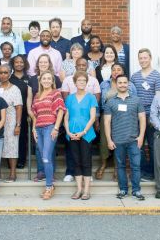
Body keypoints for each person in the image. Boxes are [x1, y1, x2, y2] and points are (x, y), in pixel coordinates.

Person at [104, 75, 146, 200]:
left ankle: (136, 191)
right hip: (118, 140)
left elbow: (142, 118)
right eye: (120, 82)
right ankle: (123, 190)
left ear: (128, 84)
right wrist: (109, 140)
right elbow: (106, 122)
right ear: (116, 84)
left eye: (124, 82)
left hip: (134, 140)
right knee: (120, 166)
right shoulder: (110, 102)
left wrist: (141, 137)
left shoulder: (137, 100)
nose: (122, 84)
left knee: (136, 166)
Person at [98, 63, 137, 180]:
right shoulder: (104, 84)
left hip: (122, 118)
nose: (116, 72)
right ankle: (103, 164)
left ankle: (116, 167)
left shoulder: (130, 85)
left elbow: (134, 102)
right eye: (113, 70)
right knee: (104, 141)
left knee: (118, 141)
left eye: (118, 69)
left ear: (123, 71)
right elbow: (100, 102)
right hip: (106, 116)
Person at [131, 49, 160, 182]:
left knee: (153, 145)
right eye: (140, 58)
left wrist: (153, 116)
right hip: (137, 116)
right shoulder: (134, 76)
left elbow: (158, 98)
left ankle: (153, 173)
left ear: (150, 58)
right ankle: (144, 172)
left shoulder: (157, 76)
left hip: (152, 116)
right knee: (137, 144)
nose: (143, 60)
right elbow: (133, 97)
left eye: (145, 57)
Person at [30, 71, 65, 200]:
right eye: (44, 78)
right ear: (40, 81)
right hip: (38, 129)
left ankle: (49, 187)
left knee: (45, 157)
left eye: (48, 78)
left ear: (52, 81)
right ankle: (50, 185)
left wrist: (56, 128)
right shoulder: (37, 95)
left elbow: (60, 111)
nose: (46, 80)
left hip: (50, 127)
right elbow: (35, 114)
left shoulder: (56, 93)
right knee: (44, 156)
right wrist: (33, 129)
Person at [64, 72, 98, 200]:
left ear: (87, 82)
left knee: (86, 161)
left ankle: (86, 191)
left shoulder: (91, 98)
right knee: (76, 162)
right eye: (79, 80)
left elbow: (93, 117)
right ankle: (78, 190)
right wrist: (67, 131)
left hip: (86, 134)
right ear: (75, 82)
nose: (82, 82)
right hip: (72, 134)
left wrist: (83, 132)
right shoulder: (70, 98)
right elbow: (66, 117)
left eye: (84, 80)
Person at [0, 64, 23, 183]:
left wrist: (18, 125)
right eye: (1, 73)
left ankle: (13, 173)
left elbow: (19, 108)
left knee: (11, 146)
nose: (3, 75)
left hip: (10, 121)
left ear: (10, 73)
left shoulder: (15, 89)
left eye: (5, 72)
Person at [10, 55, 32, 169]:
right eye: (16, 62)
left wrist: (29, 112)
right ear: (13, 64)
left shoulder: (29, 78)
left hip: (24, 113)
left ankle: (21, 161)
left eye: (21, 62)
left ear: (25, 64)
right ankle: (11, 161)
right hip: (10, 113)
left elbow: (31, 97)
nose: (19, 64)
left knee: (22, 137)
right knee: (11, 137)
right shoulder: (9, 79)